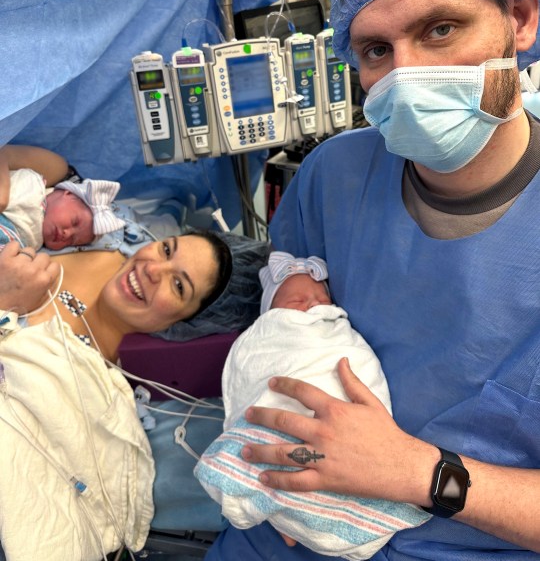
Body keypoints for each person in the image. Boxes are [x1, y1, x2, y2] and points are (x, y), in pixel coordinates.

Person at [206, 0, 540, 561]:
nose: (407, 73)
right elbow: (283, 338)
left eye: (441, 29)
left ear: (521, 18)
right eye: (376, 50)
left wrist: (421, 472)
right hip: (276, 529)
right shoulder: (332, 177)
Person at [0, 228, 232, 560]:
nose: (153, 269)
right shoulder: (97, 236)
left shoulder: (90, 390)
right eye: (167, 250)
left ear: (184, 324)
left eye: (178, 286)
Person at [195, 251, 429, 560]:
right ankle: (290, 503)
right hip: (288, 436)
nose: (313, 306)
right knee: (273, 452)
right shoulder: (267, 337)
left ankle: (316, 506)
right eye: (297, 303)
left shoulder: (340, 333)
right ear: (271, 314)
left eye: (322, 299)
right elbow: (252, 379)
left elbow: (359, 365)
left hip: (362, 444)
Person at [0, 144, 125, 250]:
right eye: (74, 222)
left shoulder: (33, 244)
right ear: (68, 193)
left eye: (72, 241)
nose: (67, 233)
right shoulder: (32, 185)